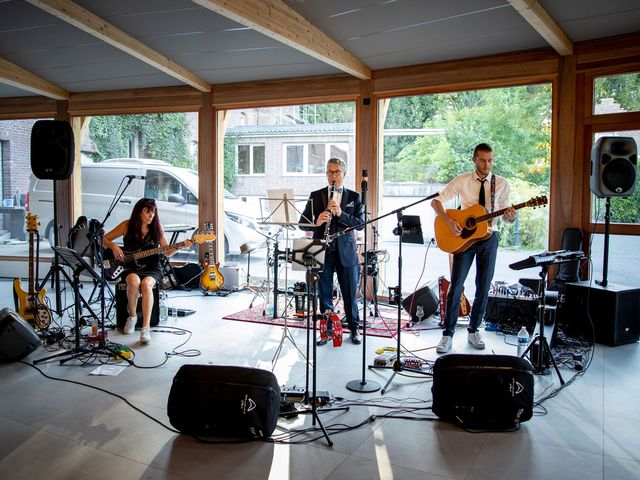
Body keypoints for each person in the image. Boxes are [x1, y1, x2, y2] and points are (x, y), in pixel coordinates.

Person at [431, 143, 516, 353]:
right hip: (465, 239)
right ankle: (447, 334)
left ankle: (474, 330)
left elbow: (506, 217)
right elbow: (436, 202)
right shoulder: (462, 180)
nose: (487, 165)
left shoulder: (502, 183)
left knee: (483, 285)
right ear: (474, 160)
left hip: (489, 237)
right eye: (483, 160)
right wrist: (450, 222)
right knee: (456, 284)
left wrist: (510, 217)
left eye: (490, 160)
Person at [103, 198, 191, 343]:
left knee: (146, 285)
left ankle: (145, 328)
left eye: (153, 212)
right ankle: (132, 316)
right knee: (133, 281)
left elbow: (167, 252)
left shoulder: (157, 228)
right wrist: (114, 246)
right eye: (148, 212)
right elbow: (103, 238)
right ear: (139, 212)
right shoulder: (127, 225)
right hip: (130, 266)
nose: (151, 215)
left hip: (152, 266)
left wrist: (180, 246)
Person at [299, 158, 365, 345]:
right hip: (320, 249)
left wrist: (341, 214)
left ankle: (353, 328)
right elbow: (301, 223)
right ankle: (327, 329)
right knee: (324, 292)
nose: (333, 176)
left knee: (349, 292)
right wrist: (316, 221)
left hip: (346, 250)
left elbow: (360, 225)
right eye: (329, 172)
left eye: (337, 172)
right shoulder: (316, 195)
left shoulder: (354, 197)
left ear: (344, 173)